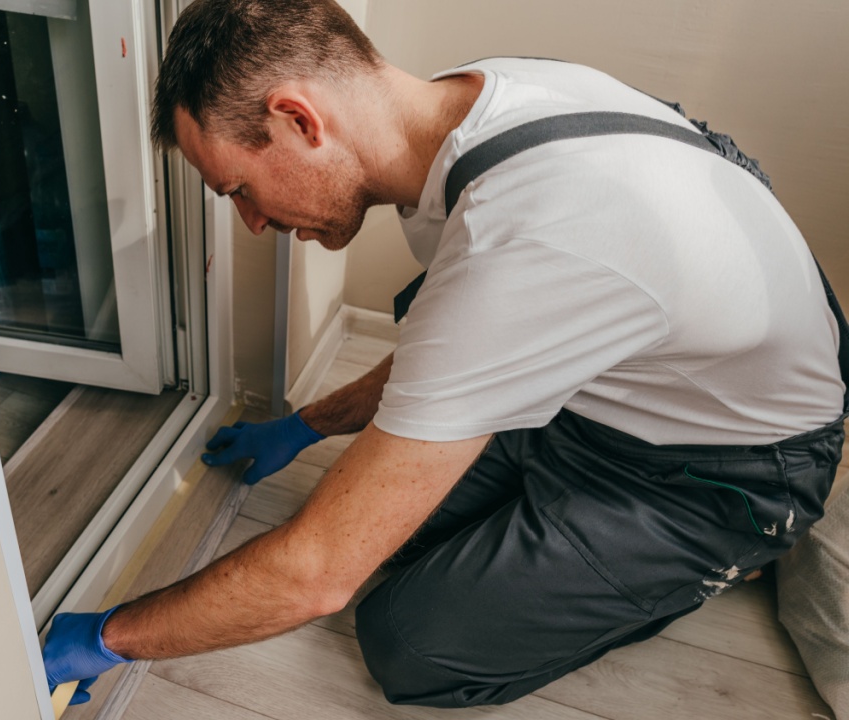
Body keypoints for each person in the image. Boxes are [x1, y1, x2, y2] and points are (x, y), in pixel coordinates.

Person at [41, 0, 845, 708]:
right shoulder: (475, 106)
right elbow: (464, 341)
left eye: (238, 189)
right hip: (605, 394)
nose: (253, 222)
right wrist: (304, 427)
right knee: (398, 523)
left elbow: (317, 574)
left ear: (299, 120)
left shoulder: (527, 236)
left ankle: (710, 566)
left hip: (719, 472)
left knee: (409, 640)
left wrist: (110, 636)